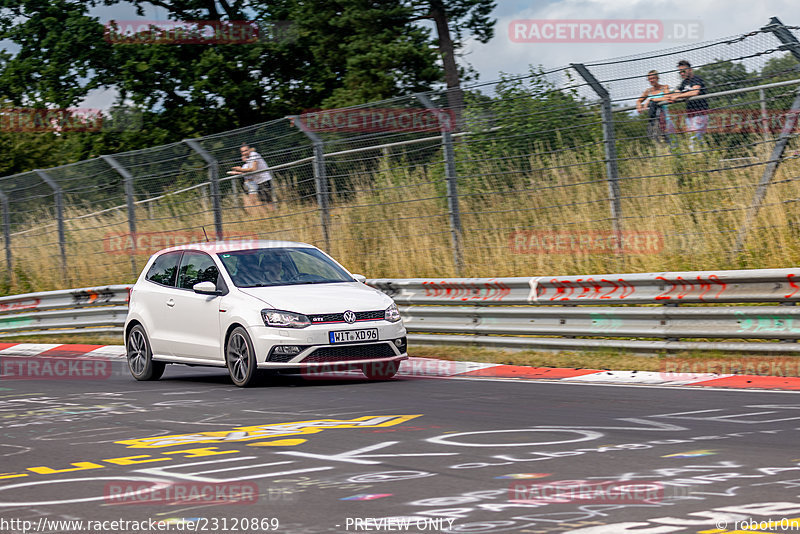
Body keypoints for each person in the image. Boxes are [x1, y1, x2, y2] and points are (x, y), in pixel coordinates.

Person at [666, 60, 709, 148]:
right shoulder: (684, 83)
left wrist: (677, 97)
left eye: (683, 71)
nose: (681, 74)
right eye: (680, 72)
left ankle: (696, 159)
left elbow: (695, 92)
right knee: (696, 140)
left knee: (694, 141)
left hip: (700, 114)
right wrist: (671, 96)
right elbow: (677, 92)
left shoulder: (696, 79)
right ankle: (701, 158)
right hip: (690, 116)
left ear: (690, 70)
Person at [229, 143, 274, 210]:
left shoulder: (254, 155)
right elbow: (249, 172)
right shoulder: (249, 160)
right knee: (263, 201)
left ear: (249, 150)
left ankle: (273, 213)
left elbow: (253, 169)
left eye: (246, 150)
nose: (244, 153)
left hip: (264, 180)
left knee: (268, 201)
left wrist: (240, 169)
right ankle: (270, 215)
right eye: (242, 151)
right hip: (258, 182)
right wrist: (237, 172)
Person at [636, 70, 675, 145]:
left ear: (657, 78)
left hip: (665, 118)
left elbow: (668, 98)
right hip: (655, 119)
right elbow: (639, 100)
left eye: (653, 78)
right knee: (659, 141)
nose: (651, 80)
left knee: (671, 140)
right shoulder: (648, 91)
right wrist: (639, 105)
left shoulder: (664, 87)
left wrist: (652, 100)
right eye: (649, 79)